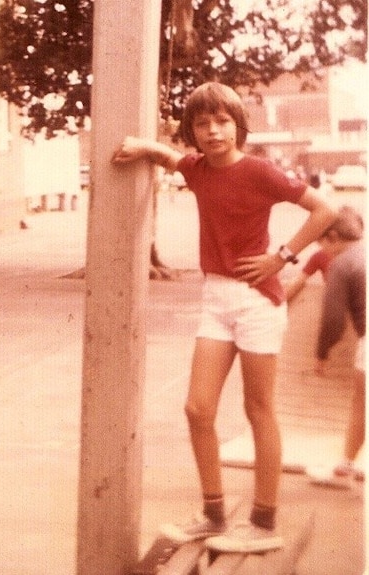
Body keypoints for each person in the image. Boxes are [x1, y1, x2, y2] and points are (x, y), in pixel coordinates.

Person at [112, 82, 336, 553]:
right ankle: (213, 513)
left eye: (222, 122)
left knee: (259, 411)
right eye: (202, 123)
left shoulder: (259, 171)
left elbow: (324, 209)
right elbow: (172, 159)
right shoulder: (197, 169)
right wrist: (143, 146)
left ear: (238, 126)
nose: (213, 131)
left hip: (257, 301)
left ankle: (262, 522)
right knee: (197, 408)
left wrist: (281, 256)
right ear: (192, 131)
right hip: (216, 299)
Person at [305, 206, 365, 488]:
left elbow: (333, 319)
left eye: (320, 242)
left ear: (332, 236)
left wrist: (322, 353)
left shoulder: (342, 263)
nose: (322, 250)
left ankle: (344, 469)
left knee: (361, 402)